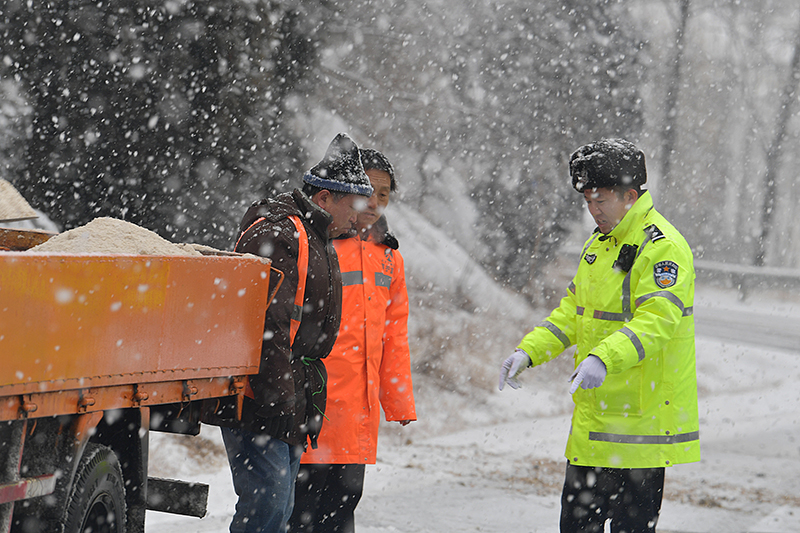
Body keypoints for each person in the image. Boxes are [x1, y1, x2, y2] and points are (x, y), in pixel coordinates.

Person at [499, 139, 700, 533]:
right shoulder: (599, 245)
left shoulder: (663, 248)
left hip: (639, 429)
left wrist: (603, 357)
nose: (593, 210)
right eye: (588, 201)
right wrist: (529, 352)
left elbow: (656, 320)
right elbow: (573, 314)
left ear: (630, 195)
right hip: (594, 425)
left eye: (601, 200)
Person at [203, 133, 374, 533]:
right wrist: (280, 401)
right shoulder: (282, 234)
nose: (360, 216)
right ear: (325, 197)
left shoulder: (317, 235)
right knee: (267, 511)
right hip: (259, 398)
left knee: (277, 512)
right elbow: (267, 328)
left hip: (284, 396)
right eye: (355, 205)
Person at [289, 149, 417, 533]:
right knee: (301, 512)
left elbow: (394, 334)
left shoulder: (388, 257)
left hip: (357, 415)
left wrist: (398, 400)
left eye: (384, 194)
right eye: (367, 191)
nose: (375, 203)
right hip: (313, 405)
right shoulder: (317, 244)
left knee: (343, 508)